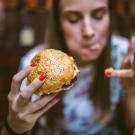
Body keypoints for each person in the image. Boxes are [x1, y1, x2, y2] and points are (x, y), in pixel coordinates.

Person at [1, 0, 135, 135]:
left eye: (98, 16)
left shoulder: (124, 56)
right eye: (74, 19)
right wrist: (15, 127)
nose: (89, 32)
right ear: (59, 23)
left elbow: (129, 128)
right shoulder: (34, 67)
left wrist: (131, 94)